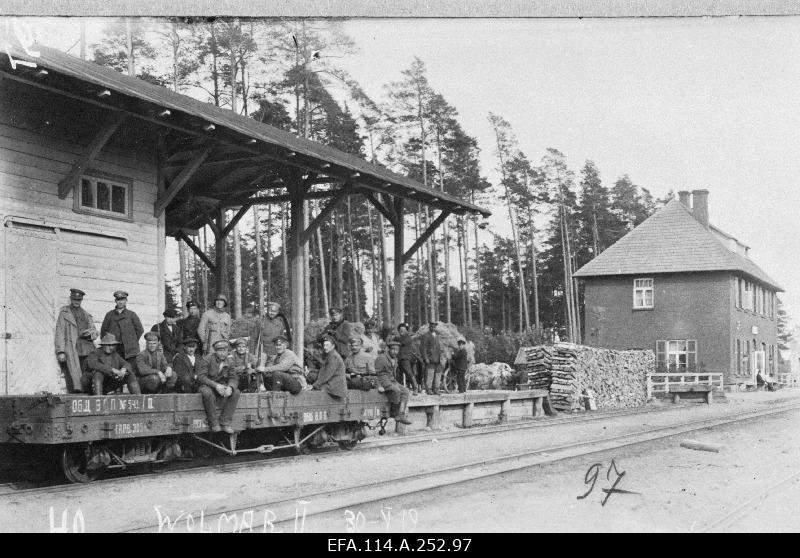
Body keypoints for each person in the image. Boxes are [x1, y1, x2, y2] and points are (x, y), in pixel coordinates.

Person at [54, 288, 99, 393]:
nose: (76, 301)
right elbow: (60, 333)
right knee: (73, 376)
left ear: (81, 300)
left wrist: (90, 334)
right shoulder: (64, 313)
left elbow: (95, 331)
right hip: (72, 349)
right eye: (74, 299)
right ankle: (76, 396)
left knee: (87, 374)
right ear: (71, 298)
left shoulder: (86, 314)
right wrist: (61, 351)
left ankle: (88, 395)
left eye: (78, 300)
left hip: (87, 349)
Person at [196, 339, 240, 434]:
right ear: (215, 351)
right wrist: (216, 385)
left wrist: (230, 387)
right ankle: (214, 423)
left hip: (221, 386)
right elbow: (201, 377)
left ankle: (225, 423)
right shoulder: (207, 359)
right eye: (220, 351)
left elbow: (233, 377)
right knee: (207, 393)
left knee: (236, 392)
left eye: (225, 350)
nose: (223, 353)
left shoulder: (230, 361)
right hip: (206, 385)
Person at [100, 290, 144, 374]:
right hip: (115, 349)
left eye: (122, 299)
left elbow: (140, 329)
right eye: (118, 300)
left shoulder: (131, 314)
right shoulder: (109, 315)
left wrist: (131, 341)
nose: (120, 302)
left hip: (130, 350)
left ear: (126, 301)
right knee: (115, 373)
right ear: (115, 301)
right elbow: (103, 332)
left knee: (131, 372)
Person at [375, 341, 412, 425]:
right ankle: (394, 413)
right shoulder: (381, 358)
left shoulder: (395, 359)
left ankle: (401, 414)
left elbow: (394, 373)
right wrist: (378, 386)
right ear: (389, 349)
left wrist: (396, 382)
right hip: (383, 380)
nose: (395, 352)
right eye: (393, 350)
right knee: (397, 391)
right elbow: (375, 373)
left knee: (405, 391)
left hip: (392, 380)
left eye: (397, 350)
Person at [419, 321, 444, 395]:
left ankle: (436, 389)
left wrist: (442, 357)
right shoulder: (425, 336)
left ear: (436, 327)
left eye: (434, 326)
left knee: (438, 375)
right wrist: (425, 358)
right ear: (429, 327)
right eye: (431, 326)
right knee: (430, 375)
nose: (432, 328)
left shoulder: (437, 336)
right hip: (430, 359)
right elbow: (422, 348)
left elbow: (440, 347)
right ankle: (429, 389)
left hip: (438, 359)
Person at [396, 323, 420, 394]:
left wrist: (396, 341)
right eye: (400, 330)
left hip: (405, 358)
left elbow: (401, 343)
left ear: (406, 330)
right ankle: (400, 389)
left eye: (403, 329)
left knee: (409, 373)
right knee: (399, 374)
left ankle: (415, 388)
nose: (401, 331)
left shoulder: (408, 338)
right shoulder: (399, 338)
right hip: (399, 358)